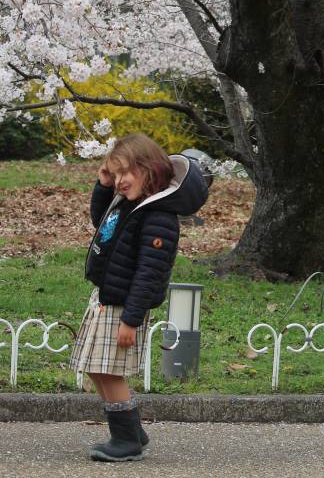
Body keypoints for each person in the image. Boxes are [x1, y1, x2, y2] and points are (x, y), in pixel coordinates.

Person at [69, 133, 208, 462]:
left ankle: (127, 439)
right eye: (114, 175)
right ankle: (132, 432)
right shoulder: (132, 204)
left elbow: (150, 273)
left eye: (123, 174)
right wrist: (103, 186)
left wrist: (131, 320)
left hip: (123, 307)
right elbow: (102, 225)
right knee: (96, 368)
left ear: (147, 169)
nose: (118, 182)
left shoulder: (158, 217)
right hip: (108, 299)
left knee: (110, 372)